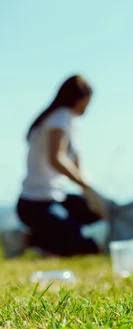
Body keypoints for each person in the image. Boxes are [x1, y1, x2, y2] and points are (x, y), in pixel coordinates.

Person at [1, 75, 109, 258]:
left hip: (56, 197)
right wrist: (85, 185)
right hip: (36, 202)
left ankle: (49, 240)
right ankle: (27, 239)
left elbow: (75, 163)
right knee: (86, 246)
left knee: (96, 212)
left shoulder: (70, 120)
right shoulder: (60, 118)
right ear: (80, 99)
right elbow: (56, 159)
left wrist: (91, 194)